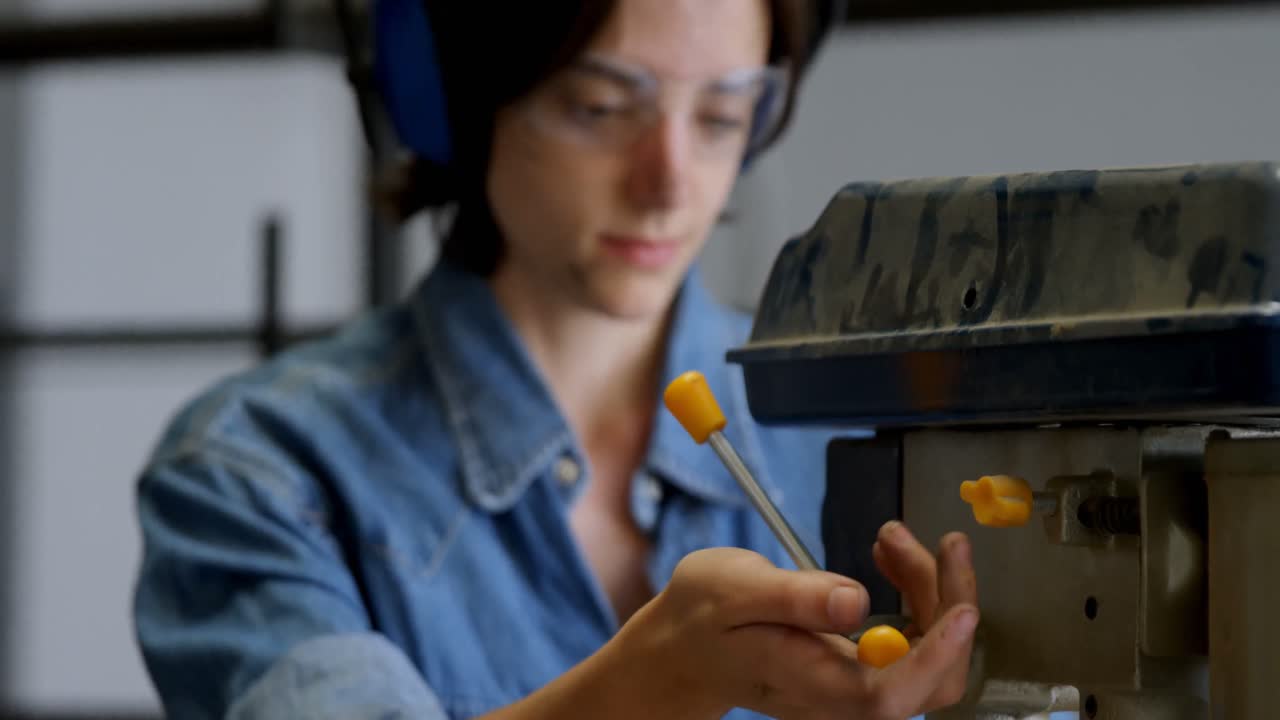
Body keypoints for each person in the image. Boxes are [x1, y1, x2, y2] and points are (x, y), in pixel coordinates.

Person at [132, 1, 980, 718]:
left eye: (721, 117)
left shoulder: (865, 425)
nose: (671, 184)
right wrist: (653, 684)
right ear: (453, 98)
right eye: (602, 107)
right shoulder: (260, 468)